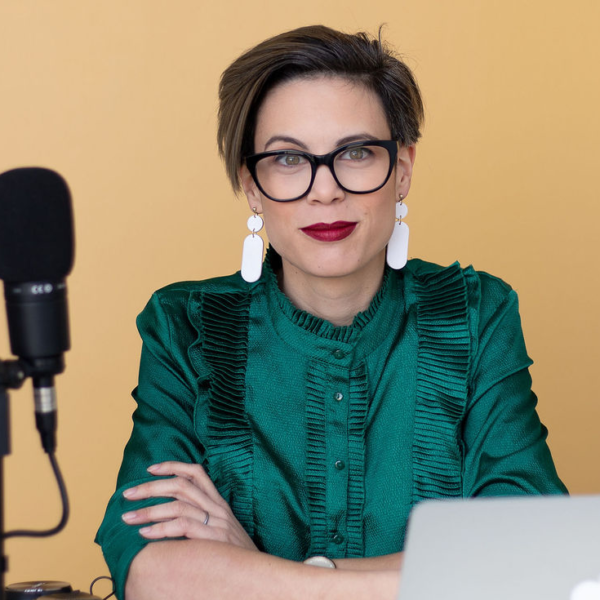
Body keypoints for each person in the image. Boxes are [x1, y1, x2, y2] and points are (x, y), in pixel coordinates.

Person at [96, 25, 567, 600]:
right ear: (251, 185)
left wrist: (264, 572)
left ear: (403, 170)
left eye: (357, 153)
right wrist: (426, 578)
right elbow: (153, 575)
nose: (325, 191)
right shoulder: (186, 327)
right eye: (289, 159)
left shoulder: (477, 315)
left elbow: (532, 561)